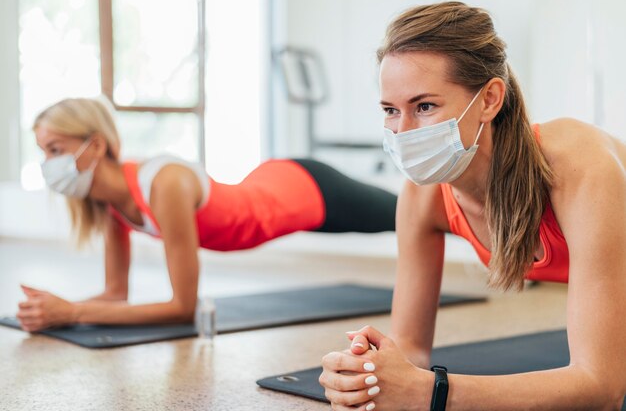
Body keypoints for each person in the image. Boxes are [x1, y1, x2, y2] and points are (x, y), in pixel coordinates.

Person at [319, 1, 626, 410]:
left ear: (489, 99)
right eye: (391, 111)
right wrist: (370, 375)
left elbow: (601, 387)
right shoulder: (422, 195)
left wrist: (433, 393)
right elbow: (411, 347)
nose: (403, 132)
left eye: (424, 106)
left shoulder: (577, 165)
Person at [16, 97, 397, 331]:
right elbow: (117, 294)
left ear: (94, 145)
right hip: (274, 185)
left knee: (417, 213)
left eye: (54, 150)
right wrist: (54, 308)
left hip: (307, 190)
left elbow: (183, 308)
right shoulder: (110, 203)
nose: (48, 163)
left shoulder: (165, 182)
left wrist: (73, 312)